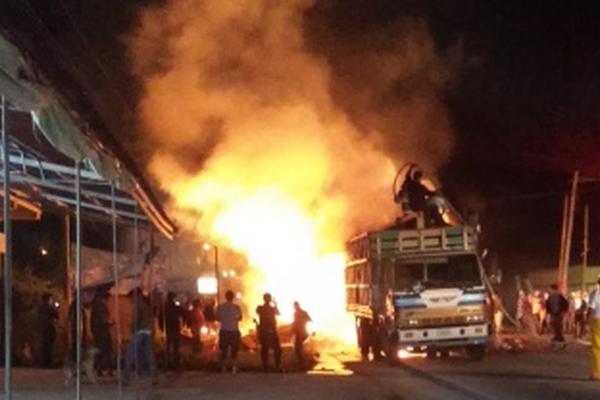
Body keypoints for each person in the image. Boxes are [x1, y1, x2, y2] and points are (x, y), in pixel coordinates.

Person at [124, 288, 157, 385]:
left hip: (139, 331)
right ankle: (154, 377)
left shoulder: (138, 305)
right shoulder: (147, 305)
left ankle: (126, 378)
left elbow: (136, 319)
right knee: (150, 355)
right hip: (149, 331)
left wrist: (132, 328)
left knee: (130, 354)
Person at [216, 290, 242, 373]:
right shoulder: (237, 307)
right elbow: (240, 318)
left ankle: (223, 368)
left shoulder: (220, 307)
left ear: (225, 297)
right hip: (234, 331)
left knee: (224, 350)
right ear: (233, 297)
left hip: (224, 330)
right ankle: (233, 368)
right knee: (234, 350)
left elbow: (217, 318)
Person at [256, 293, 282, 372]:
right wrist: (275, 305)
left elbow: (258, 312)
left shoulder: (260, 308)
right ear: (270, 299)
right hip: (271, 331)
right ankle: (276, 366)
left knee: (265, 349)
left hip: (264, 331)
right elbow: (278, 313)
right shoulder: (272, 308)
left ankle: (265, 366)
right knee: (276, 349)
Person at [91, 290, 113, 377]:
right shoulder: (101, 306)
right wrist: (110, 323)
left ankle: (99, 369)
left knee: (100, 351)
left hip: (97, 332)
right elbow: (103, 319)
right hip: (103, 332)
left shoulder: (95, 306)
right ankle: (108, 370)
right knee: (107, 351)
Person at [163, 292, 184, 369]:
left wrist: (162, 327)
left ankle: (168, 362)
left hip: (169, 328)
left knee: (169, 346)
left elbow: (161, 318)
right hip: (174, 328)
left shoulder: (165, 307)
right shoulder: (175, 307)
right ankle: (175, 363)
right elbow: (183, 313)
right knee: (176, 347)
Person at [38, 293, 58, 368]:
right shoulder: (49, 307)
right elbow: (56, 315)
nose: (52, 300)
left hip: (43, 328)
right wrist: (55, 307)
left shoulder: (41, 307)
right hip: (49, 328)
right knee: (49, 345)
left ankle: (44, 362)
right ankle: (48, 362)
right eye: (51, 299)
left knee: (45, 345)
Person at [291, 301, 312, 367]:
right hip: (300, 333)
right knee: (297, 348)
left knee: (297, 348)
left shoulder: (301, 313)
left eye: (295, 306)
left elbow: (309, 319)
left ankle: (302, 362)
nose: (295, 308)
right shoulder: (298, 313)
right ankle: (301, 362)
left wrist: (301, 322)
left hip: (301, 333)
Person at [589, 279, 600, 381]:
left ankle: (597, 373)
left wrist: (588, 322)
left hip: (598, 320)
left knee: (597, 347)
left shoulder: (596, 293)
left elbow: (592, 309)